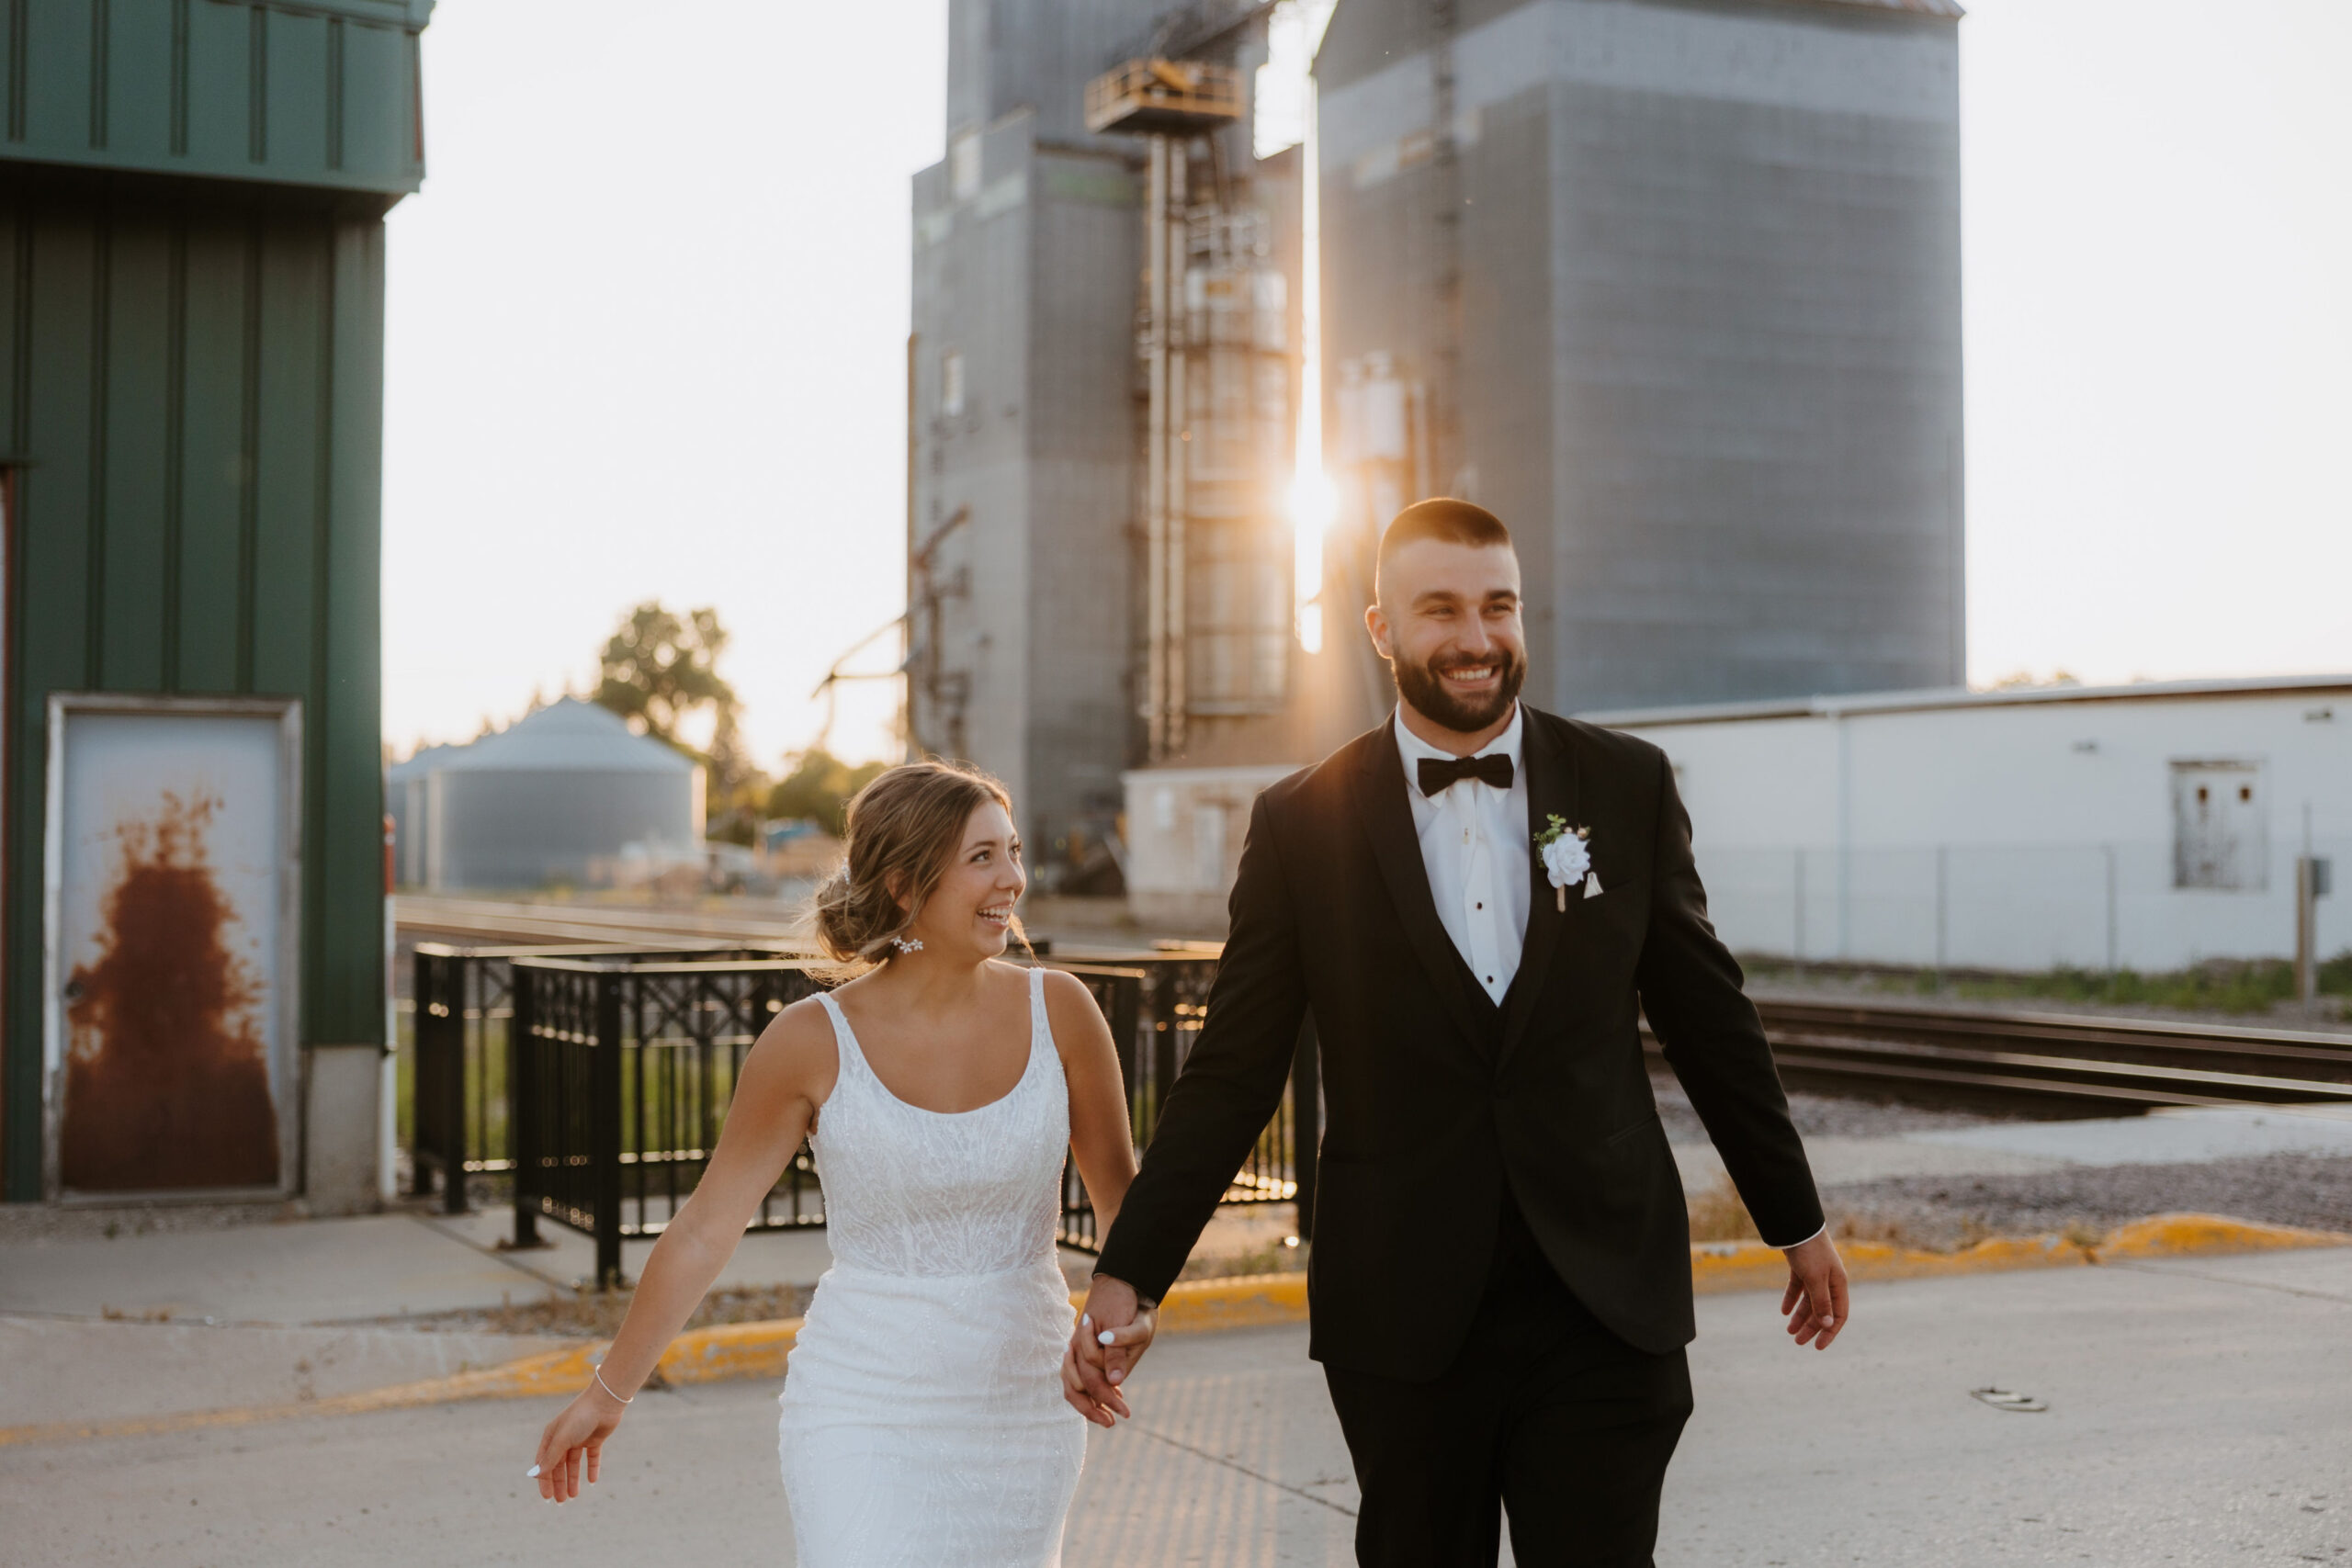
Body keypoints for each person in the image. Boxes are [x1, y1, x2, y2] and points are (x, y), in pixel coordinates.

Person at [1066, 499, 1851, 1566]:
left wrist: (1793, 1218)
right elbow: (1233, 1072)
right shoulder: (1300, 823)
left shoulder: (1624, 784)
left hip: (1605, 1296)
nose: (1477, 640)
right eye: (1441, 610)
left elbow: (1710, 1020)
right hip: (1401, 1306)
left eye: (1499, 607)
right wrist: (1133, 1269)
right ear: (1381, 628)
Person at [531, 761, 1138, 1568]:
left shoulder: (1063, 1011)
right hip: (861, 1402)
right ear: (903, 883)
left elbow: (1123, 1208)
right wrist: (608, 1391)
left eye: (1014, 850)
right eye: (982, 857)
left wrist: (1116, 1320)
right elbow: (705, 1231)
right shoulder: (810, 1040)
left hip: (1024, 1400)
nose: (1015, 880)